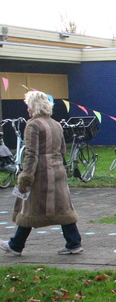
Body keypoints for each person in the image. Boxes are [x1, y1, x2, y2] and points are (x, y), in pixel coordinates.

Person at [0, 91, 82, 256]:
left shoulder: (33, 125)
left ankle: (16, 245)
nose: (27, 109)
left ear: (33, 106)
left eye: (28, 105)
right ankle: (74, 242)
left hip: (41, 172)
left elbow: (31, 154)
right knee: (63, 208)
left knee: (29, 208)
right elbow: (62, 150)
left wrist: (25, 178)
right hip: (58, 170)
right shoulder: (56, 124)